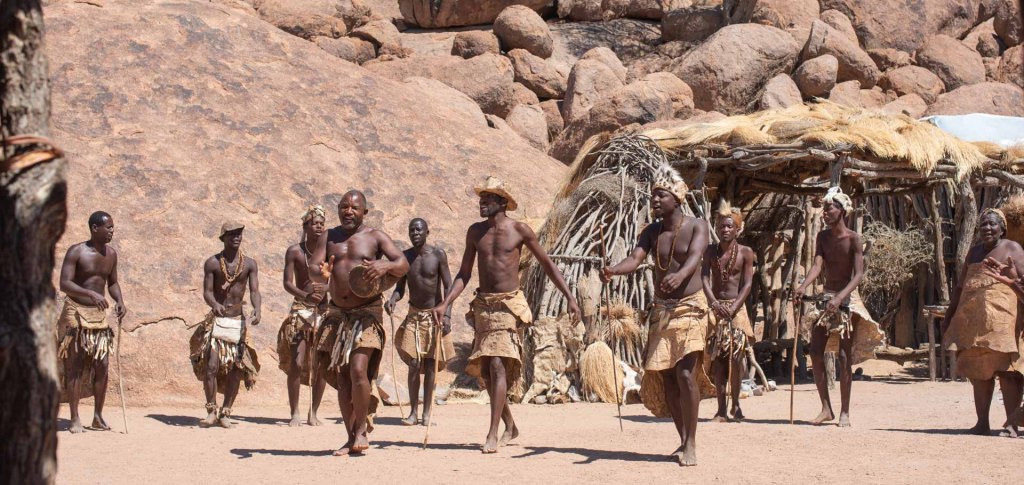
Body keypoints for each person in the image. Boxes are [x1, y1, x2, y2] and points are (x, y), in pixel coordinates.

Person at [432, 176, 581, 454]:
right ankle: (510, 425)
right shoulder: (475, 233)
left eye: (488, 198)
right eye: (481, 198)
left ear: (502, 203)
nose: (482, 202)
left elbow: (547, 264)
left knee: (499, 365)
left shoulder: (520, 230)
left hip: (509, 306)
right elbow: (465, 273)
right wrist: (445, 303)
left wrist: (570, 297)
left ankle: (491, 433)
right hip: (484, 307)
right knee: (487, 372)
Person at [602, 167, 708, 466]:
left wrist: (681, 276)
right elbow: (634, 259)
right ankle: (683, 437)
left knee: (686, 373)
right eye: (653, 196)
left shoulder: (697, 225)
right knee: (668, 377)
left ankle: (691, 444)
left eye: (661, 195)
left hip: (692, 307)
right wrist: (613, 269)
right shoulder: (651, 232)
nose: (655, 200)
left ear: (677, 198)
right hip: (663, 310)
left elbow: (695, 257)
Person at [320, 190, 408, 456]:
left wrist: (383, 266)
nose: (348, 211)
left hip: (366, 314)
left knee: (359, 370)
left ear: (364, 212)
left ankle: (361, 429)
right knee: (343, 378)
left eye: (354, 207)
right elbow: (314, 266)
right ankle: (350, 437)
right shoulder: (329, 237)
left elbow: (402, 264)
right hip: (336, 315)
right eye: (343, 206)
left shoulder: (375, 237)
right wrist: (321, 272)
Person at [944, 208, 1024, 436]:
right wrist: (950, 316)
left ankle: (1011, 423)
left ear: (1002, 228)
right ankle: (982, 423)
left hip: (1004, 319)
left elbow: (1022, 281)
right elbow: (960, 286)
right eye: (984, 225)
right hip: (973, 321)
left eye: (992, 224)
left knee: (1007, 371)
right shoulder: (974, 252)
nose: (987, 229)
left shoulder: (1012, 249)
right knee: (979, 371)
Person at [792, 187, 864, 428]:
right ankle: (826, 408)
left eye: (829, 208)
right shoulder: (823, 237)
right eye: (823, 209)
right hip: (827, 298)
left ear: (842, 210)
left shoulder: (854, 238)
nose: (825, 212)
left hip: (847, 299)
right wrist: (803, 285)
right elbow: (816, 266)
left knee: (844, 356)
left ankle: (845, 411)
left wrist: (841, 297)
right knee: (814, 351)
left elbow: (858, 274)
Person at [58, 211, 128, 433]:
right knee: (75, 366)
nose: (112, 231)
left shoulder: (111, 254)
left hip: (98, 316)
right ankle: (75, 417)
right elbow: (65, 284)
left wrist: (119, 300)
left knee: (102, 366)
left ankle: (97, 416)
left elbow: (113, 283)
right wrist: (90, 294)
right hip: (76, 313)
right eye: (108, 227)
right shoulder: (77, 251)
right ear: (94, 228)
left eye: (113, 227)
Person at [189, 222, 261, 428]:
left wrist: (257, 308)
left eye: (239, 234)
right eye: (231, 234)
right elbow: (207, 292)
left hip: (237, 322)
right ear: (223, 238)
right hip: (217, 321)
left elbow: (255, 290)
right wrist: (214, 304)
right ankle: (211, 410)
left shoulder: (249, 264)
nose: (236, 237)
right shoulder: (212, 263)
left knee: (236, 369)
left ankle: (226, 412)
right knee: (211, 366)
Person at [386, 218, 455, 426]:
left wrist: (448, 314)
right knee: (414, 364)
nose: (414, 233)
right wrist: (392, 299)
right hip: (414, 316)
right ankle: (413, 412)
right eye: (411, 230)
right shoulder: (405, 258)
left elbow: (448, 285)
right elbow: (400, 288)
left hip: (434, 316)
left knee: (431, 365)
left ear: (427, 232)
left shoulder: (438, 255)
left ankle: (427, 413)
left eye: (418, 230)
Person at [277, 205, 331, 427]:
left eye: (321, 223)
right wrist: (305, 295)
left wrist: (325, 291)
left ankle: (314, 412)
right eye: (314, 223)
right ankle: (295, 412)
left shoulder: (330, 252)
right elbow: (287, 283)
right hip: (301, 310)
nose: (318, 226)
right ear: (305, 226)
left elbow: (337, 279)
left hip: (324, 311)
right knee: (298, 362)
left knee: (321, 365)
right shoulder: (295, 251)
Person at [702, 204, 755, 422]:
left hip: (736, 310)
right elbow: (704, 278)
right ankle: (721, 409)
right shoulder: (709, 251)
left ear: (737, 230)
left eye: (729, 226)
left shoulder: (745, 253)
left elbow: (748, 283)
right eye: (721, 226)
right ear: (716, 227)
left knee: (736, 358)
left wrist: (733, 307)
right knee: (719, 360)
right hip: (716, 309)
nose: (725, 229)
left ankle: (736, 405)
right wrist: (714, 303)